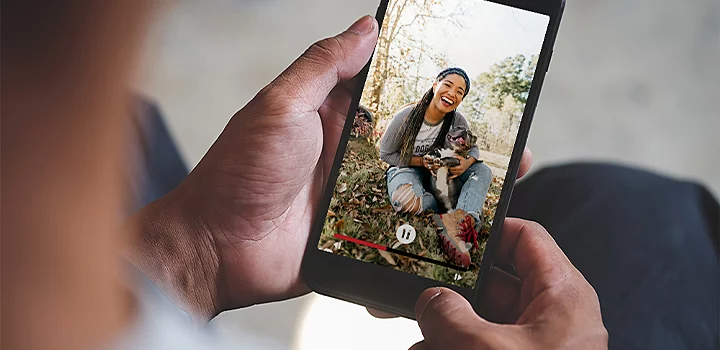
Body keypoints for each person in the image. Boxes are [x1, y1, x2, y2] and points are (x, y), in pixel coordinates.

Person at [4, 4, 717, 350]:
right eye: (443, 89)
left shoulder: (460, 127)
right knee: (647, 214)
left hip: (149, 267)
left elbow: (461, 164)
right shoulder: (409, 115)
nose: (447, 99)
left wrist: (199, 249)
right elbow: (397, 160)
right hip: (401, 189)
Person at [379, 67, 493, 266]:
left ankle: (456, 223)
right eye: (448, 85)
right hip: (407, 169)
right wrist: (421, 161)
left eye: (459, 91)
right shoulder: (407, 116)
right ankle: (444, 210)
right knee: (406, 202)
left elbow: (473, 150)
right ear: (435, 86)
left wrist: (466, 163)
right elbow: (386, 154)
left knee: (482, 171)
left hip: (438, 177)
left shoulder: (458, 121)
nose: (452, 93)